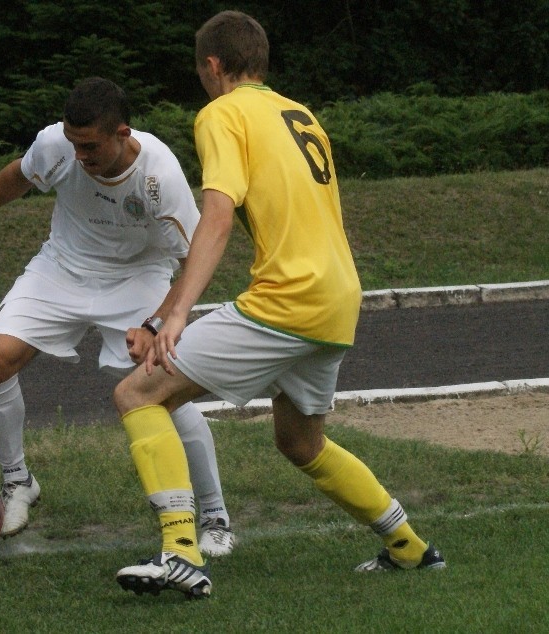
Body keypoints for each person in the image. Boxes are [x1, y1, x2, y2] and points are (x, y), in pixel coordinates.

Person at [112, 11, 445, 599]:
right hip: (337, 298)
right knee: (300, 442)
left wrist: (175, 314)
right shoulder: (299, 114)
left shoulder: (221, 112)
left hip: (287, 298)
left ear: (213, 66)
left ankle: (181, 553)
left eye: (201, 71)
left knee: (138, 393)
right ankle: (410, 547)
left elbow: (216, 213)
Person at [0, 77, 236, 557]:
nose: (79, 156)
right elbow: (19, 175)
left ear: (122, 133)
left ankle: (214, 514)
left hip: (139, 277)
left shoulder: (160, 177)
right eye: (73, 144)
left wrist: (155, 324)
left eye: (89, 147)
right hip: (63, 266)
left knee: (163, 386)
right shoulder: (59, 144)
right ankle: (18, 482)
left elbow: (196, 260)